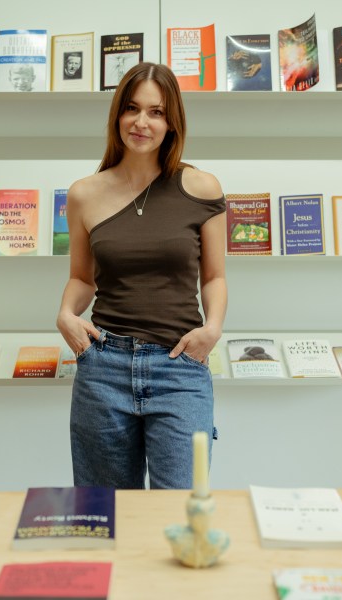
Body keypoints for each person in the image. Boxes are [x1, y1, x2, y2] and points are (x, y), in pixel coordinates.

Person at [56, 62, 227, 490]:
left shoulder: (201, 187)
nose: (141, 122)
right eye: (132, 108)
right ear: (117, 114)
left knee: (184, 507)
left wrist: (213, 329)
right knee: (106, 512)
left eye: (156, 112)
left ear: (172, 123)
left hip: (180, 367)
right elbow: (82, 278)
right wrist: (65, 314)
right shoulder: (84, 194)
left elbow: (215, 277)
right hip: (104, 367)